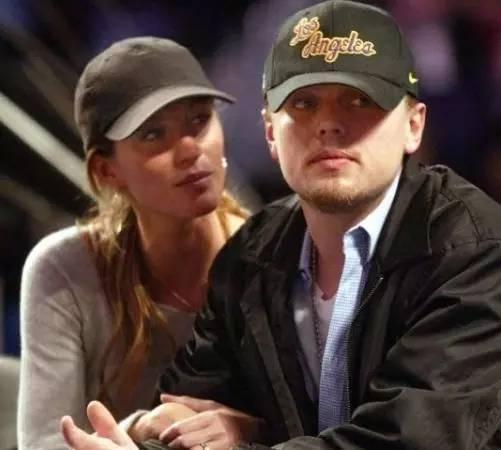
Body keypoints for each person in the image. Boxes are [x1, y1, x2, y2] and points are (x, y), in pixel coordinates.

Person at [60, 1, 501, 449]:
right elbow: (188, 406)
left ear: (413, 126)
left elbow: (402, 442)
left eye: (360, 100)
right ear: (271, 132)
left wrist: (248, 439)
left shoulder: (475, 251)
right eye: (304, 103)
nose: (329, 124)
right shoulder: (250, 255)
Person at [18, 36, 248, 450]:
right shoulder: (64, 270)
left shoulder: (277, 256)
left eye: (199, 120)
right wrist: (140, 431)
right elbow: (44, 442)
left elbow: (324, 425)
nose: (190, 150)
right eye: (153, 134)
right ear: (107, 171)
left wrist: (248, 430)